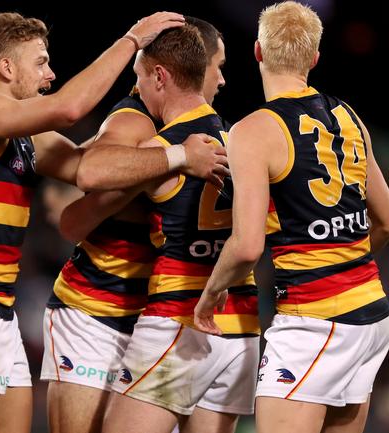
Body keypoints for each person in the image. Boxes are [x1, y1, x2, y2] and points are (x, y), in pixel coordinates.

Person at [0, 11, 229, 433]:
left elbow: (87, 166)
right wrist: (131, 41)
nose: (50, 72)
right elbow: (68, 109)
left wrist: (151, 150)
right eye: (40, 62)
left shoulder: (21, 134)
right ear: (6, 68)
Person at [194, 2, 389, 433]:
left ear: (257, 52)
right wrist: (345, 261)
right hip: (372, 314)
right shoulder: (350, 117)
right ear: (314, 59)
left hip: (315, 319)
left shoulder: (253, 130)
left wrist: (211, 294)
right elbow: (388, 222)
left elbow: (247, 246)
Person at [41, 17, 238, 433]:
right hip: (97, 308)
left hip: (160, 317)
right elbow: (83, 191)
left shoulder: (210, 135)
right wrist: (173, 159)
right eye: (216, 65)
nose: (220, 79)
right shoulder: (138, 119)